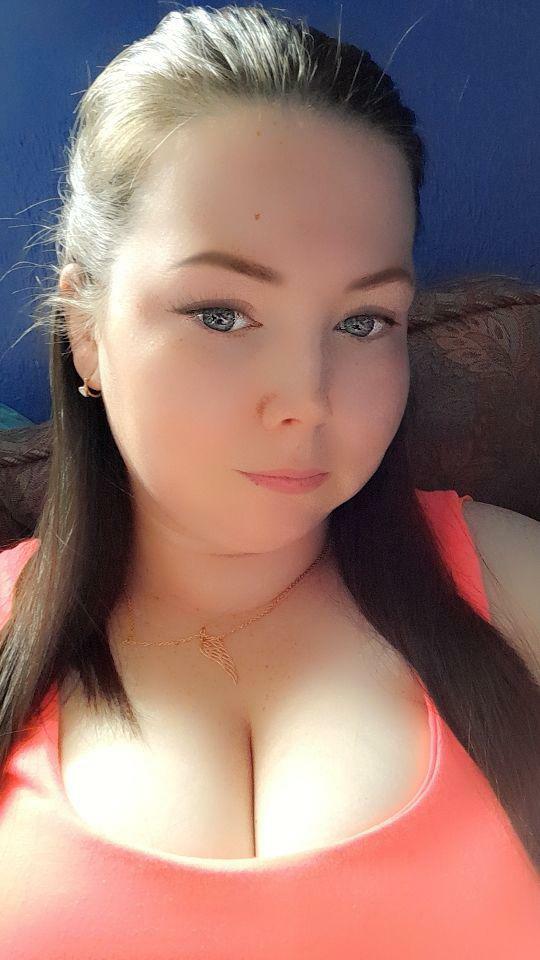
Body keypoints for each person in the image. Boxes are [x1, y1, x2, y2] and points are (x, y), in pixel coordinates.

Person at [0, 4, 539, 955]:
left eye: (364, 321)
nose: (306, 399)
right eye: (221, 314)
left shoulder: (516, 589)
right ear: (85, 329)